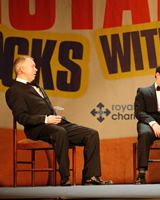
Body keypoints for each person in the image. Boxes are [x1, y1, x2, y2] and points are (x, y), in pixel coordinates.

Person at [6, 56, 113, 186]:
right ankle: (65, 177)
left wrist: (54, 118)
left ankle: (90, 177)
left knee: (91, 134)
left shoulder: (36, 85)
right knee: (60, 132)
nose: (36, 69)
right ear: (22, 69)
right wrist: (45, 119)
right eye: (33, 66)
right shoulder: (14, 91)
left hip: (55, 123)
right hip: (38, 128)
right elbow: (22, 117)